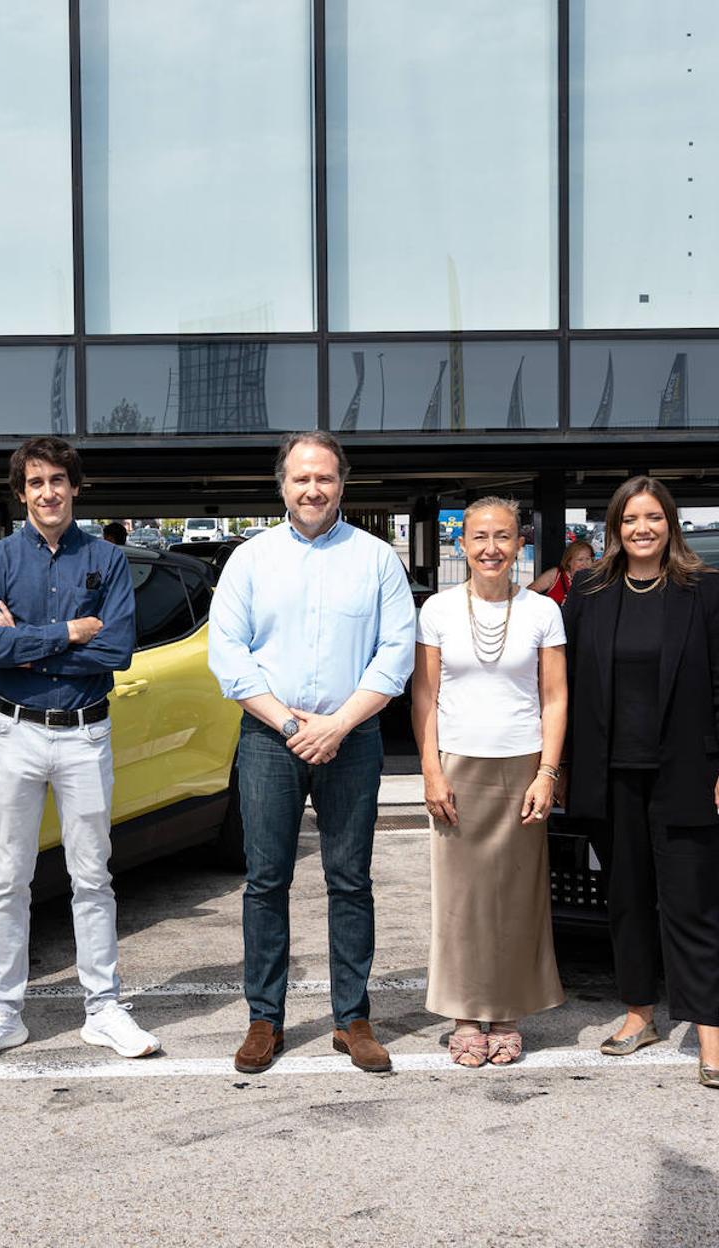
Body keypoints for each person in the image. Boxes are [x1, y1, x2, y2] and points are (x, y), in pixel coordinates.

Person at [208, 431, 415, 1074]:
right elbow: (228, 655)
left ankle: (352, 1018)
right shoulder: (250, 560)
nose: (313, 489)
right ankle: (264, 1019)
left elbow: (395, 654)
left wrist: (338, 725)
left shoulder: (377, 560)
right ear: (283, 485)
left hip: (352, 738)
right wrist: (289, 723)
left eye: (324, 477)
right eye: (301, 478)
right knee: (266, 881)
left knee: (350, 881)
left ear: (341, 484)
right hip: (269, 739)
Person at [0, 436, 159, 1063]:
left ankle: (103, 1008)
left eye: (58, 481)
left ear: (75, 487)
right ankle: (3, 1011)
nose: (48, 492)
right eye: (36, 482)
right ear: (21, 494)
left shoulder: (107, 559)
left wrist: (25, 641)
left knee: (91, 876)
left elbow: (116, 650)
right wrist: (68, 632)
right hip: (13, 733)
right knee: (8, 876)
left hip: (85, 734)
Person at [562, 476, 719, 1090]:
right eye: (630, 519)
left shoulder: (704, 591)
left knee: (692, 902)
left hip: (686, 773)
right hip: (611, 775)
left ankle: (710, 1030)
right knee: (625, 898)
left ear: (670, 524)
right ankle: (639, 1014)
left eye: (652, 517)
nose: (642, 529)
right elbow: (563, 682)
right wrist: (559, 765)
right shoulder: (590, 593)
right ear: (614, 528)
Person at [412, 497, 567, 1066]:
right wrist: (431, 769)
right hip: (457, 766)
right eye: (479, 537)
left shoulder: (542, 612)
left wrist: (547, 772)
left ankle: (506, 1012)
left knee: (518, 898)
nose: (491, 548)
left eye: (503, 536)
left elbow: (555, 698)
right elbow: (425, 696)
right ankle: (464, 1013)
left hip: (523, 765)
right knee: (461, 901)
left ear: (520, 544)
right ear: (462, 544)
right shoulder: (438, 610)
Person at [527, 538, 594, 606]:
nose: (585, 564)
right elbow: (529, 593)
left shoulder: (594, 579)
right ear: (569, 561)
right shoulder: (556, 575)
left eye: (588, 559)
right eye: (580, 560)